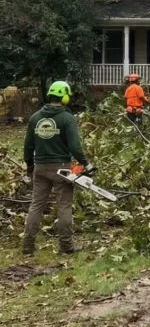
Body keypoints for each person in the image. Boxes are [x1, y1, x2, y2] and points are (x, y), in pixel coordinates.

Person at [22, 81, 94, 256]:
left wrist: (30, 167)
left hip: (40, 167)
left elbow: (28, 146)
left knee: (36, 206)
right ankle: (66, 246)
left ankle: (27, 247)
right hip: (61, 168)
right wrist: (86, 163)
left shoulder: (35, 118)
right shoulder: (66, 118)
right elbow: (74, 147)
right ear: (65, 97)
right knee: (64, 206)